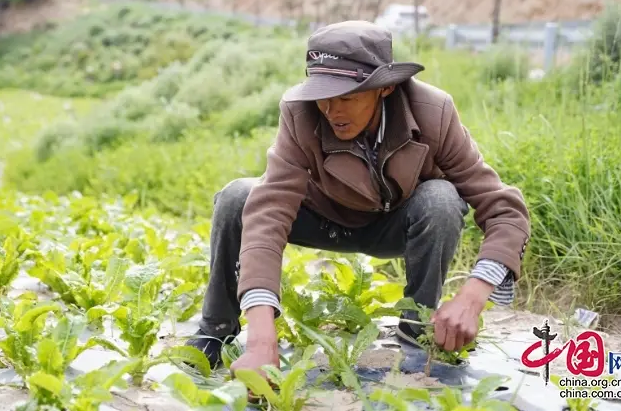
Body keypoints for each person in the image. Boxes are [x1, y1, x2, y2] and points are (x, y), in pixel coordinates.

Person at [185, 20, 531, 373]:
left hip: (394, 225)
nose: (332, 111)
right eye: (322, 96)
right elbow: (270, 209)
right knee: (238, 197)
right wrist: (262, 338)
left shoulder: (434, 112)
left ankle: (419, 330)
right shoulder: (300, 112)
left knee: (440, 197)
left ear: (385, 88)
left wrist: (472, 298)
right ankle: (216, 330)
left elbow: (504, 209)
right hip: (321, 219)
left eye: (347, 97)